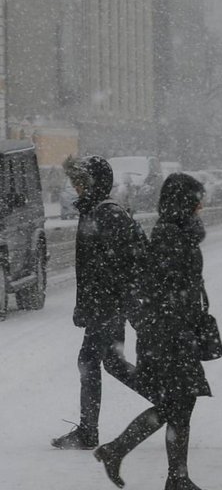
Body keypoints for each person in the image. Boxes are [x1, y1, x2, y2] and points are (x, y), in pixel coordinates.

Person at [94, 173, 214, 490]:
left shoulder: (177, 232)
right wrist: (181, 314)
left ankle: (165, 471)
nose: (201, 203)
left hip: (173, 331)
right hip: (167, 335)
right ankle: (162, 470)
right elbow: (164, 287)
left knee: (177, 403)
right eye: (196, 198)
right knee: (177, 402)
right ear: (184, 202)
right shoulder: (170, 235)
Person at [51, 155, 148, 450]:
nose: (76, 187)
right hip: (103, 304)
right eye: (74, 182)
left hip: (108, 305)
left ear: (94, 183)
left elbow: (129, 262)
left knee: (89, 361)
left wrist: (119, 304)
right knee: (113, 364)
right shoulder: (93, 211)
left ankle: (88, 432)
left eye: (80, 182)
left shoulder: (107, 214)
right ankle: (167, 402)